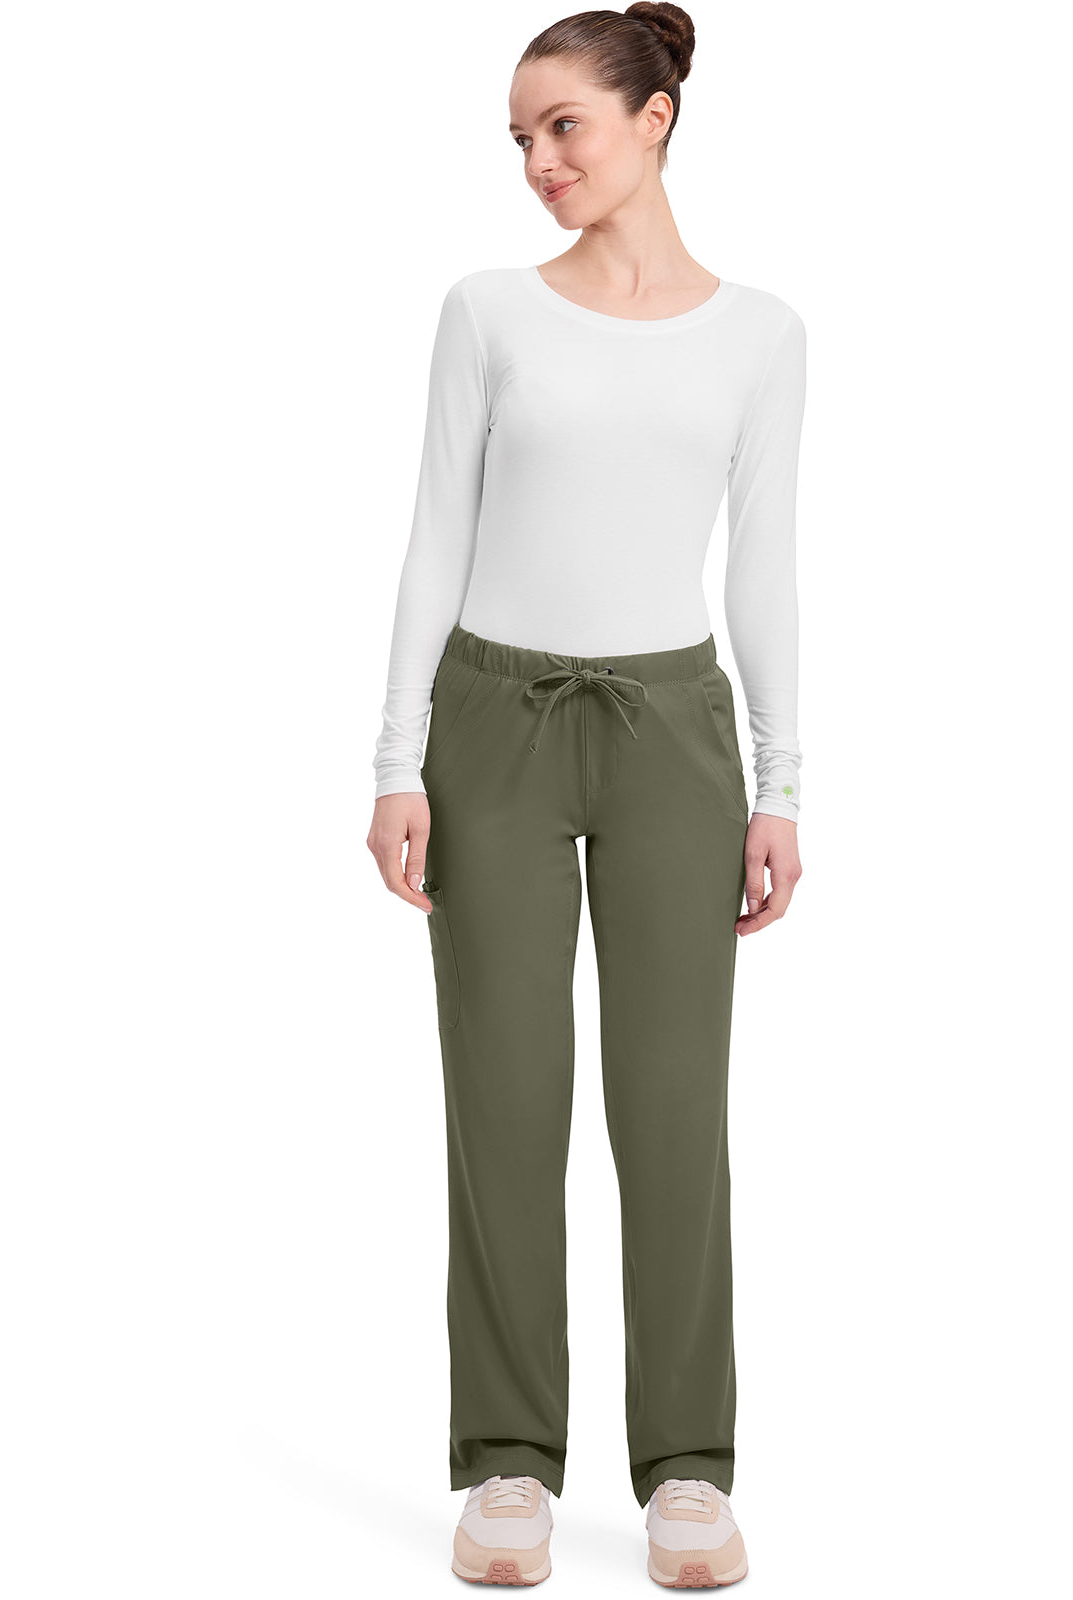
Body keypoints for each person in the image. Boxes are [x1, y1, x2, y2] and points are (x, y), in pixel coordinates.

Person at [366, 3, 805, 1586]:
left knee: (675, 1109)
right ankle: (506, 1461)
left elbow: (764, 567)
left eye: (564, 125)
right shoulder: (487, 312)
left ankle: (688, 1468)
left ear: (653, 118)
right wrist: (398, 758)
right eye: (520, 137)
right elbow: (434, 533)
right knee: (502, 1098)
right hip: (493, 720)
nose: (538, 161)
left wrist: (780, 783)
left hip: (673, 730)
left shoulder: (761, 335)